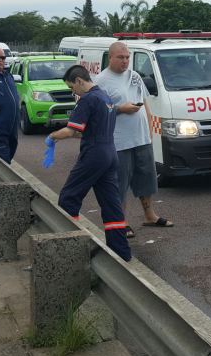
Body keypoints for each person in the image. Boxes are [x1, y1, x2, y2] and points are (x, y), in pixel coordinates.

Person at [47, 65, 131, 261]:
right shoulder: (105, 97)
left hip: (93, 154)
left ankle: (69, 250)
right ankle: (121, 252)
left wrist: (52, 137)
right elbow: (88, 130)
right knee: (111, 204)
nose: (72, 92)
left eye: (71, 87)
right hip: (110, 153)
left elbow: (71, 130)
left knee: (69, 198)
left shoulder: (87, 100)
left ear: (79, 81)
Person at [93, 41, 172, 238]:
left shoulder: (135, 76)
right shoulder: (101, 81)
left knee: (146, 178)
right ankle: (122, 221)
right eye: (121, 57)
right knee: (120, 183)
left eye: (127, 57)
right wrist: (121, 109)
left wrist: (150, 129)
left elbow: (144, 101)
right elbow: (98, 112)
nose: (125, 61)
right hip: (119, 141)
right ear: (110, 57)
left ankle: (149, 215)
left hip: (141, 137)